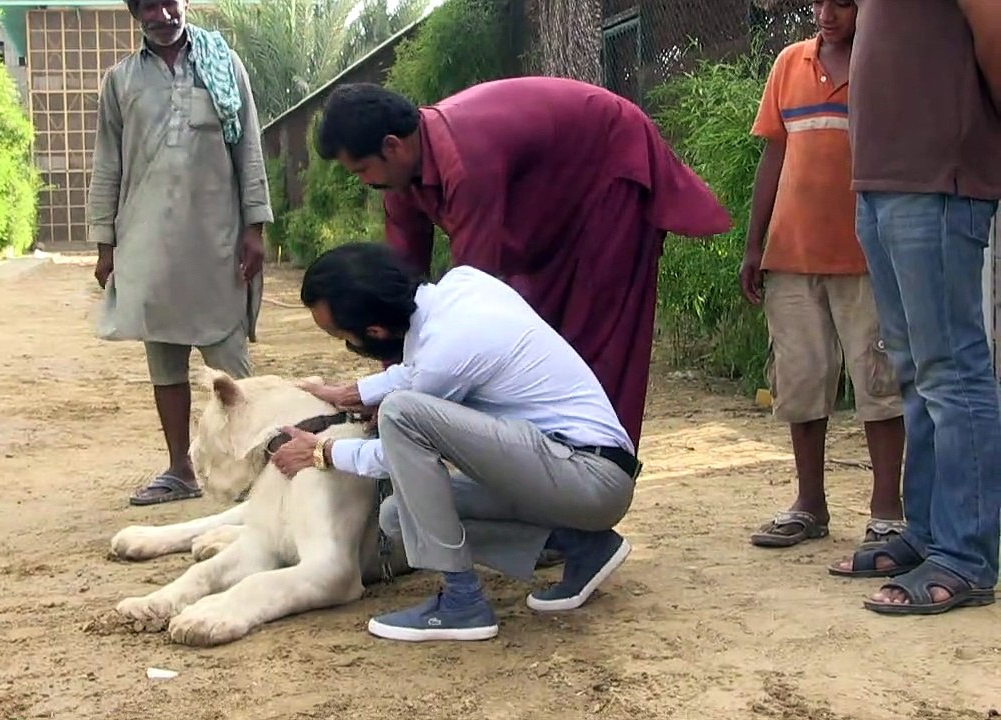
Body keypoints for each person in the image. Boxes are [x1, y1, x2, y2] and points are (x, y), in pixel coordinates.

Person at [313, 79, 732, 448]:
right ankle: (545, 492)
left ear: (391, 146)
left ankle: (594, 485)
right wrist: (390, 387)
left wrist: (404, 398)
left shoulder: (466, 161)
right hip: (547, 217)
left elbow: (473, 304)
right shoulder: (398, 175)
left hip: (606, 175)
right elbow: (396, 291)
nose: (364, 182)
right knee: (531, 345)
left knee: (592, 348)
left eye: (361, 170)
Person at [268, 242, 640, 643]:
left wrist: (323, 452)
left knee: (400, 412)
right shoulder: (463, 286)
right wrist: (355, 391)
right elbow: (418, 370)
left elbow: (400, 448)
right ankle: (584, 546)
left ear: (374, 332)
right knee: (397, 516)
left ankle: (463, 602)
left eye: (343, 336)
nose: (348, 345)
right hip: (570, 471)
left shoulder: (446, 352)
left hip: (587, 478)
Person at [827, 0, 1000, 616]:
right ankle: (928, 533)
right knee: (916, 372)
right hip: (883, 183)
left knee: (951, 369)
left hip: (938, 179)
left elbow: (995, 35)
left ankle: (966, 555)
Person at [87, 0, 273, 506]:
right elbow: (107, 164)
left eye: (171, 1)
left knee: (231, 365)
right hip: (147, 242)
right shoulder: (120, 81)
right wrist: (105, 244)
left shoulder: (223, 64)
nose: (163, 13)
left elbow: (249, 149)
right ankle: (180, 469)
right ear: (135, 13)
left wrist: (255, 228)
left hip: (217, 240)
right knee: (165, 363)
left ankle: (255, 468)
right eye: (150, 5)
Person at [742, 0, 907, 552]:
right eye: (819, 2)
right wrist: (753, 245)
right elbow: (773, 158)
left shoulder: (881, 63)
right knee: (802, 378)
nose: (828, 13)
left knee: (878, 380)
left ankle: (887, 510)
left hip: (866, 256)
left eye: (843, 3)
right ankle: (809, 503)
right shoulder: (790, 63)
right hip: (791, 256)